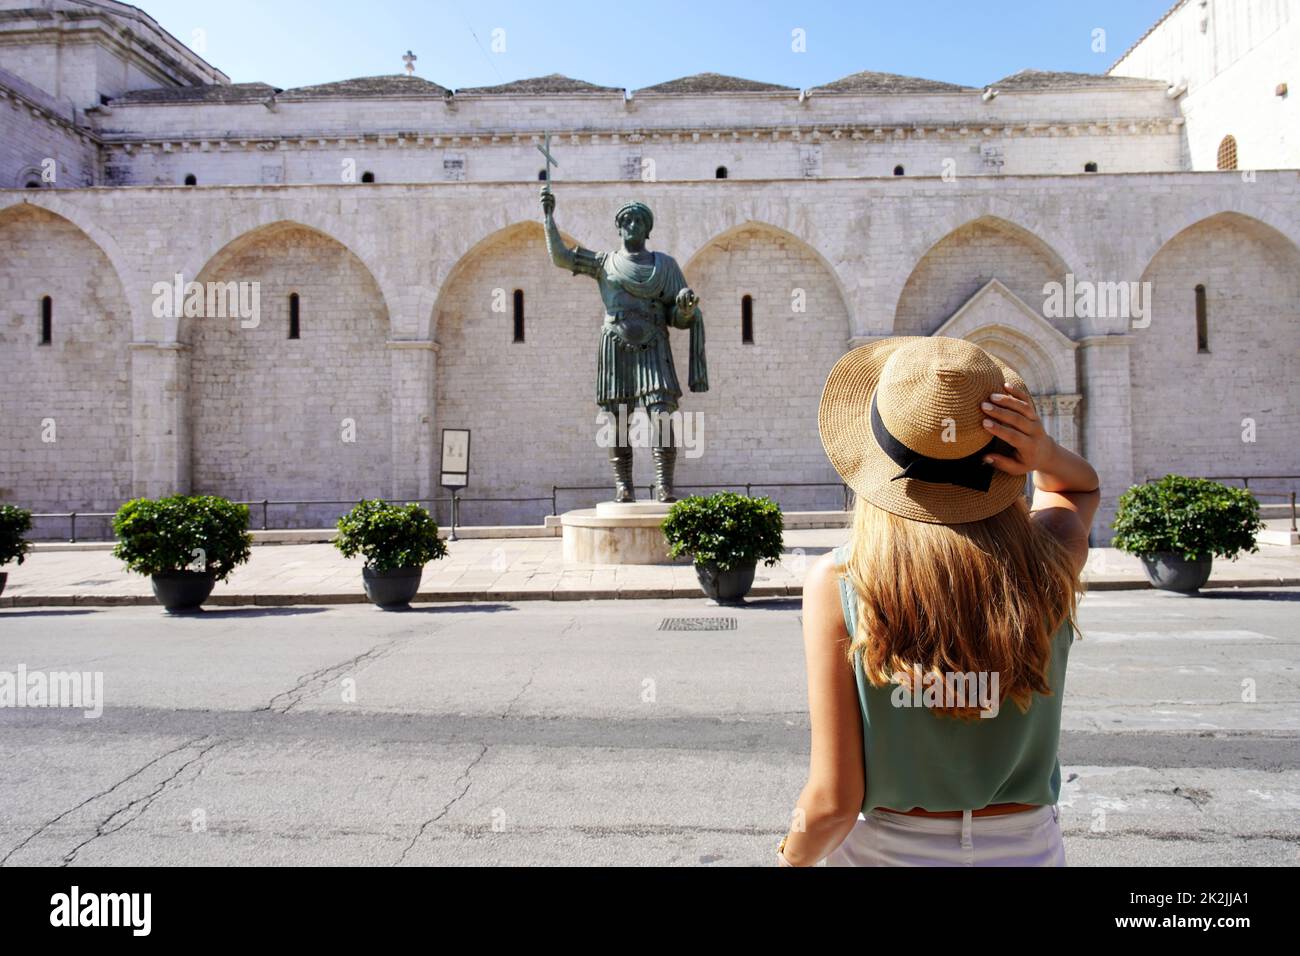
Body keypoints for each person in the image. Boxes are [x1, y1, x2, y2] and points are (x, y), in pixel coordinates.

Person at [777, 335, 1100, 866]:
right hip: (1028, 849)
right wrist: (1045, 453)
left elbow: (834, 803)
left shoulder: (841, 580)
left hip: (889, 852)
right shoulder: (1051, 556)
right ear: (1004, 459)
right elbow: (1080, 489)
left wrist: (789, 856)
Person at [540, 186, 708, 503]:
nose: (632, 226)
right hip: (616, 343)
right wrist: (549, 218)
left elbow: (678, 317)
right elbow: (561, 257)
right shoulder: (605, 262)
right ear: (618, 227)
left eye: (639, 222)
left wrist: (685, 307)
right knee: (617, 419)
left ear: (648, 229)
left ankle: (665, 485)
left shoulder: (666, 266)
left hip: (655, 342)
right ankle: (624, 486)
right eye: (627, 221)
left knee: (662, 414)